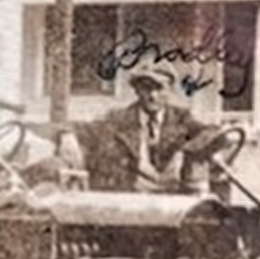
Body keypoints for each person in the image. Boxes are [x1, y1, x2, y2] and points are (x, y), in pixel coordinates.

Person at [75, 67, 218, 193]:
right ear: (137, 90)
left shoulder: (181, 119)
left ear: (170, 90)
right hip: (131, 198)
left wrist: (184, 152)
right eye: (146, 88)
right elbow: (84, 131)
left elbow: (212, 134)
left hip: (172, 197)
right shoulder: (118, 119)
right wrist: (67, 136)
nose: (152, 95)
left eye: (159, 88)